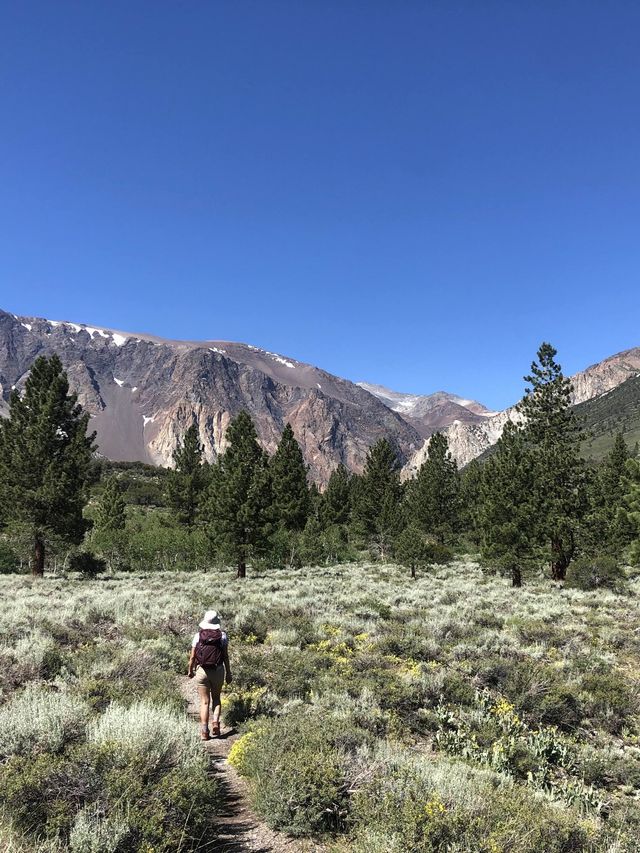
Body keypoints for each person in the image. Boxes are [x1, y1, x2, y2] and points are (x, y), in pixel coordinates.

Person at [188, 609, 232, 740]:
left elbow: (192, 658)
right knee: (217, 698)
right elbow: (225, 656)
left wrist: (190, 671)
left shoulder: (198, 636)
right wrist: (228, 673)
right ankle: (215, 723)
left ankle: (204, 731)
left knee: (204, 702)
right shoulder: (223, 636)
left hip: (202, 671)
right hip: (218, 670)